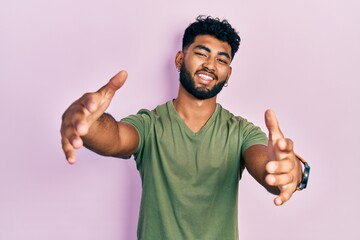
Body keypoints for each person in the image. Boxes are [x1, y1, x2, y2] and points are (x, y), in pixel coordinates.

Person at [60, 16, 309, 240]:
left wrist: (293, 171)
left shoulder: (241, 132)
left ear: (228, 74)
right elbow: (114, 137)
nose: (211, 65)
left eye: (222, 59)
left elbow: (268, 167)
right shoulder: (150, 124)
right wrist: (86, 122)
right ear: (180, 59)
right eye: (202, 53)